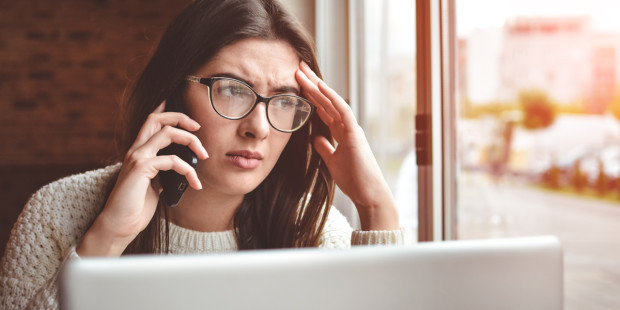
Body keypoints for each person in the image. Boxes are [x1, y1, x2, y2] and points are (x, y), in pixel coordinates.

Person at [0, 0, 408, 308]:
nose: (258, 128)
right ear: (174, 92)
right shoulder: (57, 214)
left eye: (284, 100)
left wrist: (376, 207)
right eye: (232, 89)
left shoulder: (313, 232)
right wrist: (106, 239)